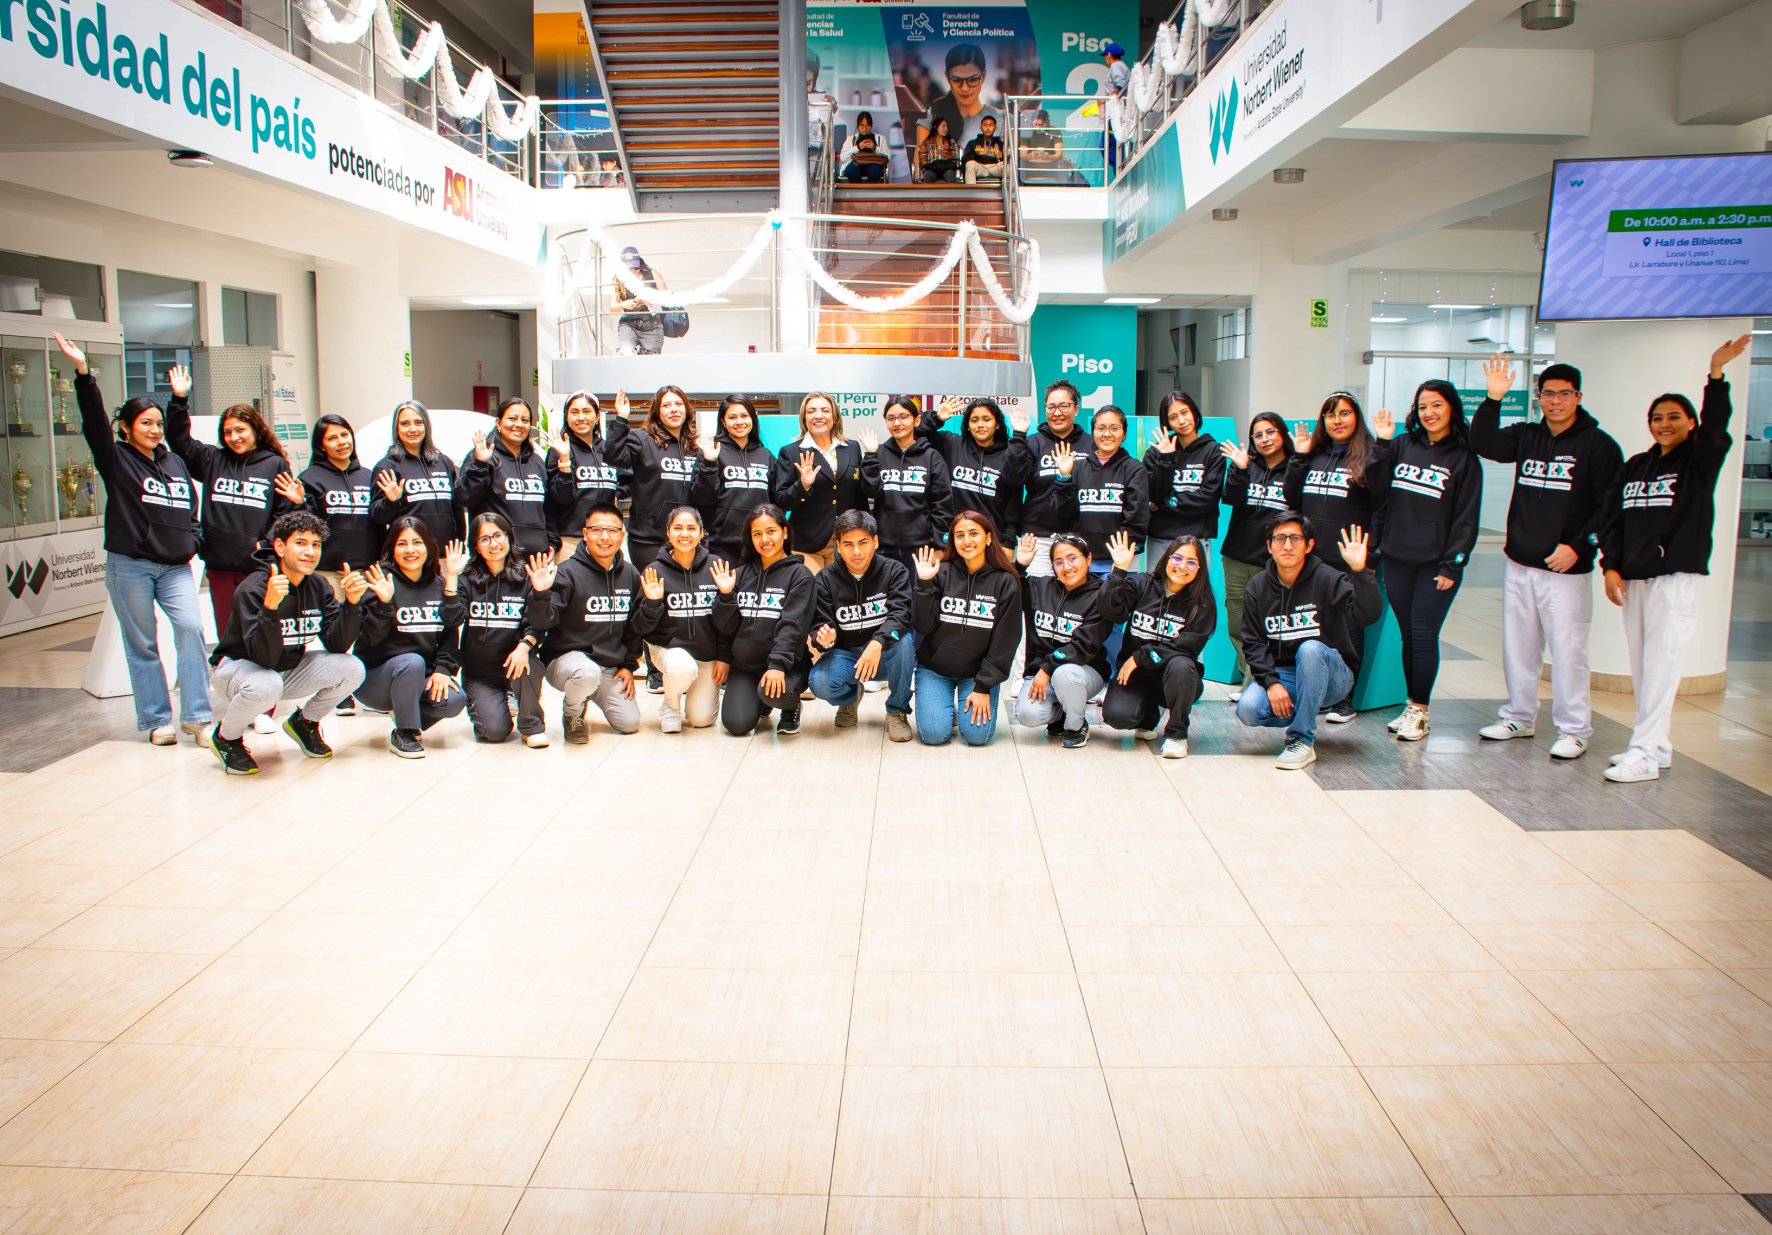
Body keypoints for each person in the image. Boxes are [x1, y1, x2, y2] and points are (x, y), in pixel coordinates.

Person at [1599, 335, 1750, 784]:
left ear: (1691, 422)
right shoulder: (1637, 465)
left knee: (1663, 669)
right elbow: (1614, 518)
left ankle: (1642, 753)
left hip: (1676, 578)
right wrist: (1611, 564)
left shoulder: (1699, 462)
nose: (1664, 425)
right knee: (1645, 666)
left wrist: (1716, 375)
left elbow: (1719, 426)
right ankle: (1658, 746)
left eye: (1673, 418)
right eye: (1657, 418)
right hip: (1636, 578)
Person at [58, 333, 212, 746]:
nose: (153, 430)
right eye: (145, 423)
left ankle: (197, 715)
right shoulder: (116, 459)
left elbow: (191, 508)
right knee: (142, 643)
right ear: (125, 427)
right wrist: (83, 373)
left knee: (190, 629)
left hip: (176, 566)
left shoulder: (174, 461)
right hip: (131, 565)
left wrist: (193, 539)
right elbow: (93, 422)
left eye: (158, 424)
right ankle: (157, 719)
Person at [1471, 355, 1624, 761]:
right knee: (1519, 647)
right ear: (1538, 397)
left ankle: (1574, 729)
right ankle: (1518, 716)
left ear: (1578, 397)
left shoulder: (1599, 445)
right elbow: (1482, 442)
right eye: (1548, 394)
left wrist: (1580, 545)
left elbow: (1609, 504)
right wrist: (1493, 399)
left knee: (1569, 651)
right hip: (1520, 561)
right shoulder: (1527, 435)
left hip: (1566, 569)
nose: (1555, 401)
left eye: (1564, 394)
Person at [204, 510, 368, 775]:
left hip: (282, 671)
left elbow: (337, 646)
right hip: (238, 670)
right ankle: (227, 738)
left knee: (352, 667)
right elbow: (263, 658)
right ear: (280, 547)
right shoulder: (253, 588)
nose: (310, 552)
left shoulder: (319, 586)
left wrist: (351, 603)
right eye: (300, 543)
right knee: (267, 683)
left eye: (316, 545)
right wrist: (270, 608)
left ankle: (305, 722)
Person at [1374, 380, 1483, 743]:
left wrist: (1453, 564)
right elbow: (1378, 491)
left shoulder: (1465, 458)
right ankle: (1412, 704)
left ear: (1452, 408)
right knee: (1408, 637)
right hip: (1397, 558)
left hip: (1436, 565)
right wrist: (1384, 443)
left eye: (1436, 405)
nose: (1429, 413)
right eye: (1422, 406)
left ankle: (1420, 710)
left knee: (1423, 635)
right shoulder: (1404, 444)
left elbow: (1467, 517)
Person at [1236, 514, 1383, 770]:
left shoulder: (1328, 578)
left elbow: (1366, 615)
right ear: (1269, 546)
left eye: (1295, 538)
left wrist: (1360, 572)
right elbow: (1253, 641)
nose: (1288, 546)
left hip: (1333, 675)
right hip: (1288, 673)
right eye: (1280, 539)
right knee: (1248, 710)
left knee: (1310, 647)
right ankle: (1304, 711)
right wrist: (1270, 683)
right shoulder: (1257, 586)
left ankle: (1302, 739)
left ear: (1309, 545)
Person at [1283, 392, 1394, 723]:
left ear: (1357, 418)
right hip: (1312, 561)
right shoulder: (1314, 456)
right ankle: (1317, 691)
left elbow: (1382, 501)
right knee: (1311, 627)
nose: (1337, 420)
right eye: (1330, 415)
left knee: (1348, 627)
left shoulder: (1369, 456)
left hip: (1350, 560)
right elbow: (1291, 497)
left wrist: (1369, 557)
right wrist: (1300, 457)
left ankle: (1346, 697)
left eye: (1345, 414)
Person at [165, 387, 305, 638]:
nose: (234, 437)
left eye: (240, 430)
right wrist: (179, 400)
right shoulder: (212, 459)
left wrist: (263, 545)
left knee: (261, 632)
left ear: (255, 430)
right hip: (221, 565)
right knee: (228, 634)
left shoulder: (275, 464)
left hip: (258, 566)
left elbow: (283, 514)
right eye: (228, 432)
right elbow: (179, 441)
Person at [529, 503, 644, 742]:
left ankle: (584, 692)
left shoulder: (631, 574)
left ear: (622, 536)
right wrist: (540, 594)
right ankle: (572, 713)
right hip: (567, 661)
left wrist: (629, 665)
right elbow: (542, 622)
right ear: (585, 534)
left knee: (630, 723)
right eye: (597, 530)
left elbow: (634, 627)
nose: (605, 537)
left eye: (612, 530)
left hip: (607, 667)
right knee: (586, 673)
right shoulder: (566, 572)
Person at [354, 515, 466, 758]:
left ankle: (406, 713)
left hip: (417, 677)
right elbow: (368, 639)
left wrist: (443, 670)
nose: (410, 550)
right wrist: (384, 603)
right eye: (402, 544)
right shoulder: (378, 580)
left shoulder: (438, 584)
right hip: (375, 679)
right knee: (412, 661)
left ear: (428, 546)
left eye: (417, 542)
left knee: (455, 700)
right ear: (392, 549)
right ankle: (405, 732)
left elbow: (450, 632)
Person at [910, 509, 1021, 746]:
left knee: (977, 736)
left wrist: (983, 686)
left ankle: (957, 705)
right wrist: (925, 584)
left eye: (973, 533)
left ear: (988, 538)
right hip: (935, 670)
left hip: (977, 674)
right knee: (933, 735)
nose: (966, 541)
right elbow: (922, 625)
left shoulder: (1005, 581)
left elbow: (1006, 641)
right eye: (959, 535)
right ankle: (944, 706)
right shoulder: (941, 571)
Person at [1100, 532, 1215, 758]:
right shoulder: (1143, 583)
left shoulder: (1202, 603)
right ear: (1167, 558)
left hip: (1175, 678)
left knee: (1181, 664)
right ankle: (1150, 713)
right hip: (1136, 676)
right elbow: (1110, 611)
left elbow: (1185, 647)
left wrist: (1140, 656)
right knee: (1117, 717)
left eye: (1192, 562)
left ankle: (1177, 734)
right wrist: (1119, 571)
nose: (1183, 566)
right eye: (1178, 558)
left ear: (1200, 569)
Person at [443, 512, 553, 747]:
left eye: (498, 535)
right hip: (480, 673)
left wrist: (525, 645)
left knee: (528, 661)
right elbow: (453, 620)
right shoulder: (466, 580)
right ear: (476, 546)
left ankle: (531, 724)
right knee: (494, 733)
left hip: (515, 663)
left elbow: (538, 624)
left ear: (509, 537)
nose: (493, 544)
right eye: (484, 539)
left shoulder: (526, 577)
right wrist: (451, 577)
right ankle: (499, 702)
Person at [809, 510, 916, 740]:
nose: (856, 551)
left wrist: (877, 643)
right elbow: (820, 624)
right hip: (850, 659)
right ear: (838, 546)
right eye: (848, 544)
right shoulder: (825, 579)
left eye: (863, 542)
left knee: (904, 642)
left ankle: (897, 712)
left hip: (886, 656)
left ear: (875, 542)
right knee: (818, 682)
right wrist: (824, 639)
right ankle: (850, 698)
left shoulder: (894, 571)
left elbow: (901, 616)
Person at [712, 504, 816, 737]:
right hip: (746, 667)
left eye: (771, 531)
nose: (764, 539)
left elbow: (794, 627)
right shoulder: (740, 574)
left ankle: (789, 706)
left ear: (784, 532)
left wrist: (777, 666)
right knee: (736, 725)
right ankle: (760, 698)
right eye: (757, 534)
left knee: (775, 693)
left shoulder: (800, 576)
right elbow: (725, 627)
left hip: (785, 666)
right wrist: (727, 595)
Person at [601, 385, 702, 614]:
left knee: (680, 599)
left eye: (678, 404)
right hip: (649, 540)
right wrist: (621, 418)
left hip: (684, 539)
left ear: (686, 410)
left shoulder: (695, 448)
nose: (673, 409)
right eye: (666, 405)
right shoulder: (642, 439)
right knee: (652, 598)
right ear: (657, 412)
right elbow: (613, 455)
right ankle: (650, 647)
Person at [1011, 531, 1116, 747]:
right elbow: (1008, 594)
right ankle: (1062, 712)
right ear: (1052, 567)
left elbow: (1083, 645)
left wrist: (1048, 668)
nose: (1066, 567)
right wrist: (1019, 567)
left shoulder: (1100, 595)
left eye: (1073, 558)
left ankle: (1076, 726)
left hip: (1084, 671)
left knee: (1065, 674)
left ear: (1088, 559)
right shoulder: (1040, 587)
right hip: (1042, 672)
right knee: (1027, 715)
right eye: (1058, 562)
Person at [1219, 412, 1295, 686]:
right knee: (1237, 625)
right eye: (1258, 435)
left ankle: (1265, 682)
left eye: (1271, 432)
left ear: (1282, 433)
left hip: (1275, 563)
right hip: (1237, 556)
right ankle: (1250, 681)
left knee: (1268, 626)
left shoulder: (1296, 468)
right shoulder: (1245, 464)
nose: (1265, 439)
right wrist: (1239, 469)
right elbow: (1230, 498)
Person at [631, 505, 722, 733]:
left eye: (691, 528)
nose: (685, 534)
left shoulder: (716, 566)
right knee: (682, 667)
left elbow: (727, 621)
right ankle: (670, 705)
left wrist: (725, 656)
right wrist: (652, 603)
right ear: (668, 533)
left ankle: (689, 693)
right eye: (678, 528)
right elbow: (640, 626)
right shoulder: (654, 570)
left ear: (701, 533)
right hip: (669, 650)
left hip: (706, 654)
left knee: (701, 720)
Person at [860, 396, 954, 572]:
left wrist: (938, 545)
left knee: (919, 597)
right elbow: (870, 492)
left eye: (903, 417)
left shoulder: (932, 457)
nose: (897, 423)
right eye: (891, 418)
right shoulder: (878, 454)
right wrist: (870, 457)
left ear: (916, 420)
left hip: (921, 549)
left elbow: (943, 506)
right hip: (883, 548)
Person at [774, 391, 865, 572]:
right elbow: (780, 501)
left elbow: (859, 495)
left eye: (825, 410)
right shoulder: (791, 452)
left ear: (834, 417)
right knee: (810, 595)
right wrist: (803, 485)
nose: (818, 415)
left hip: (847, 540)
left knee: (842, 597)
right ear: (804, 418)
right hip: (807, 542)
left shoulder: (852, 448)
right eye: (811, 411)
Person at [918, 395, 1030, 541]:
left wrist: (1009, 542)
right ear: (968, 425)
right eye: (974, 420)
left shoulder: (1008, 454)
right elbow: (915, 436)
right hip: (954, 538)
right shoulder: (952, 444)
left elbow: (1013, 502)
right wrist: (936, 419)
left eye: (986, 419)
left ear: (997, 424)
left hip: (991, 540)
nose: (980, 424)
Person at [457, 396, 555, 560]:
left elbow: (549, 507)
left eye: (525, 420)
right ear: (498, 423)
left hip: (536, 558)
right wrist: (480, 465)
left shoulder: (536, 461)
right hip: (498, 557)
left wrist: (552, 542)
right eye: (512, 418)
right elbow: (463, 497)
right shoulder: (483, 456)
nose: (519, 424)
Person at [1020, 379, 1094, 577]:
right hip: (1038, 538)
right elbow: (1013, 480)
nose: (1057, 412)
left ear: (1076, 409)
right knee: (1037, 598)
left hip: (1078, 537)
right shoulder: (1032, 443)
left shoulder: (1091, 445)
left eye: (1064, 406)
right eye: (1051, 407)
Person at [370, 400, 463, 551]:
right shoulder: (386, 467)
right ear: (396, 428)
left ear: (426, 426)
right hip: (409, 556)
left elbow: (456, 509)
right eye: (405, 423)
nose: (412, 429)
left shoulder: (444, 462)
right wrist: (391, 501)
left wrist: (460, 545)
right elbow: (377, 518)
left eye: (418, 422)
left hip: (446, 553)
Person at [694, 393, 776, 561]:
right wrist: (709, 462)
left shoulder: (766, 455)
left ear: (752, 419)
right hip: (721, 545)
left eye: (744, 416)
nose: (739, 422)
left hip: (760, 544)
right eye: (732, 417)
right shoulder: (712, 451)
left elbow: (776, 499)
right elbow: (701, 498)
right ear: (724, 422)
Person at [1063, 405, 1147, 568]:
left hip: (1121, 561)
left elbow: (1137, 518)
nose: (1107, 434)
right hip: (1081, 560)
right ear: (1093, 432)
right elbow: (1065, 513)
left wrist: (1122, 556)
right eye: (1101, 428)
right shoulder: (1077, 467)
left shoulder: (1135, 469)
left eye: (1114, 428)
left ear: (1124, 434)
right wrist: (1064, 478)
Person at [545, 390, 622, 564]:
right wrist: (565, 461)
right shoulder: (559, 450)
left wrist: (616, 494)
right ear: (567, 416)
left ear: (597, 416)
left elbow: (628, 480)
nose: (581, 417)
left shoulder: (608, 449)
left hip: (607, 538)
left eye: (587, 411)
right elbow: (560, 497)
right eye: (575, 412)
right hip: (571, 539)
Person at [1145, 391, 1226, 545]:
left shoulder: (1213, 451)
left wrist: (1166, 503)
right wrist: (1166, 459)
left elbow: (1208, 499)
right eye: (1173, 417)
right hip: (1160, 538)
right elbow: (1151, 494)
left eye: (1184, 412)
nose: (1181, 421)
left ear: (1194, 412)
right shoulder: (1157, 451)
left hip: (1197, 539)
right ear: (1167, 422)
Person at [915, 43, 1001, 152]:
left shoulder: (1003, 120)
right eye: (956, 80)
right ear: (947, 78)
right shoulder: (930, 118)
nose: (964, 88)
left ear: (983, 77)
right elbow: (919, 166)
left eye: (972, 80)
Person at [611, 245, 667, 355]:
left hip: (651, 324)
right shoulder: (618, 279)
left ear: (640, 264)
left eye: (635, 268)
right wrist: (624, 304)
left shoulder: (652, 274)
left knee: (649, 361)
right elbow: (613, 307)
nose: (632, 271)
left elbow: (667, 297)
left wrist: (652, 300)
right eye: (629, 269)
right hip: (629, 323)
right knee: (626, 353)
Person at [840, 110, 889, 183]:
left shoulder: (880, 138)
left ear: (871, 125)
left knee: (876, 170)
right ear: (858, 126)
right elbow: (842, 158)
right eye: (862, 125)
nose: (865, 128)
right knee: (852, 170)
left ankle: (868, 193)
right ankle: (858, 194)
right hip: (855, 165)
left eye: (867, 125)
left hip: (873, 164)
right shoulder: (851, 139)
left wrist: (875, 148)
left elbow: (888, 156)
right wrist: (857, 147)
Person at [962, 114, 1005, 184]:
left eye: (990, 125)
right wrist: (977, 155)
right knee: (970, 164)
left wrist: (1002, 157)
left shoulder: (1001, 144)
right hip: (980, 168)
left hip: (995, 168)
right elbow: (965, 158)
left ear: (995, 128)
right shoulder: (972, 143)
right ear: (981, 128)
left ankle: (1011, 192)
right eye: (985, 125)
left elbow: (1010, 159)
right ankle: (970, 192)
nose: (988, 128)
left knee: (1009, 167)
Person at [916, 115, 960, 183]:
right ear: (935, 127)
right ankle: (928, 193)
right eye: (943, 126)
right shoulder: (927, 142)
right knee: (928, 175)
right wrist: (931, 165)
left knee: (950, 174)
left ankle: (952, 193)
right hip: (932, 169)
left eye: (946, 126)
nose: (945, 128)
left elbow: (955, 160)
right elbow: (923, 159)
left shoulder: (951, 142)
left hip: (947, 169)